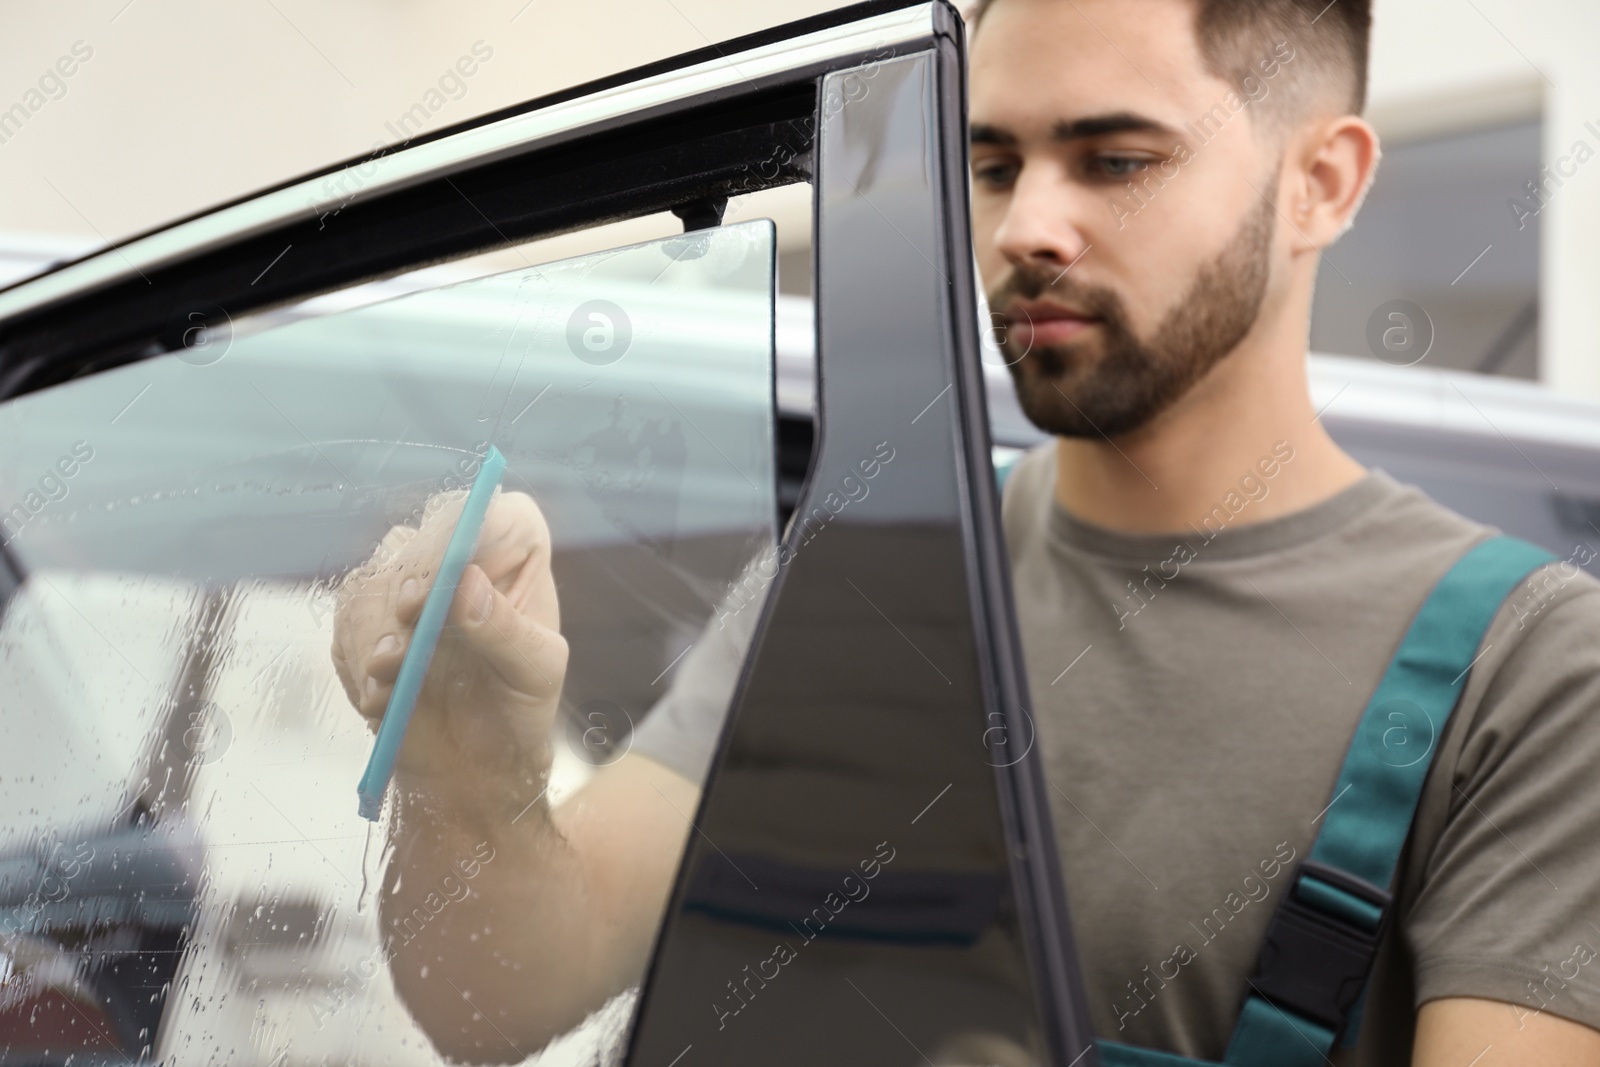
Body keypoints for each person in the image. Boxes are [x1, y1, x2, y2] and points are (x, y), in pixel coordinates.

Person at [330, 0, 1600, 1062]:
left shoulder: (1530, 672)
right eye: (991, 164)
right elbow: (498, 995)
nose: (1025, 227)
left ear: (1320, 183)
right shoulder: (866, 566)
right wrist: (471, 766)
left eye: (1116, 160)